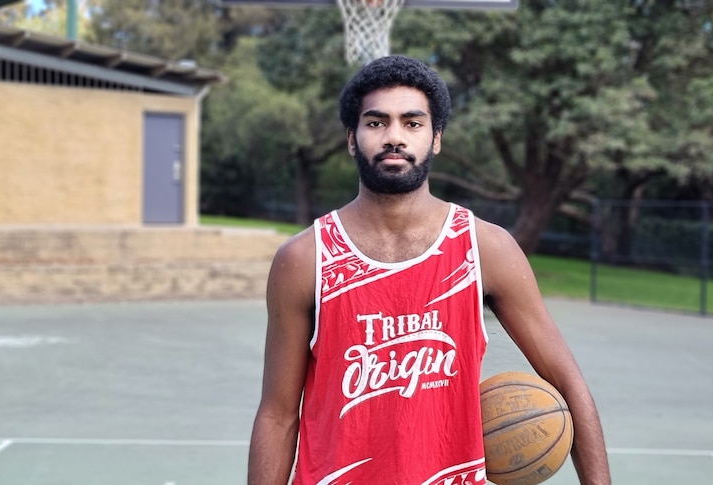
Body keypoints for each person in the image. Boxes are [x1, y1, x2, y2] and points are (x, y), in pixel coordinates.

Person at [248, 55, 611, 485]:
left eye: (413, 123)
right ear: (351, 138)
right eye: (377, 122)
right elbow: (277, 414)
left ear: (435, 138)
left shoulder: (485, 248)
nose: (395, 137)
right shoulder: (305, 258)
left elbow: (569, 384)